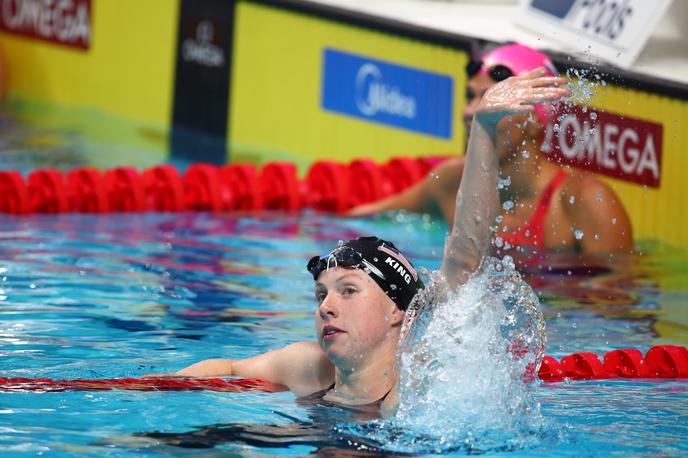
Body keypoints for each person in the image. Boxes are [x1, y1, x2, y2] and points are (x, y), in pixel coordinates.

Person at [154, 68, 571, 416]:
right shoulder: (310, 368)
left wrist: (483, 129)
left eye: (348, 290)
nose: (326, 306)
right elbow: (227, 366)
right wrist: (151, 389)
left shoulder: (422, 381)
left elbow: (466, 252)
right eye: (321, 294)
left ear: (395, 310)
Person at [349, 44, 633, 258]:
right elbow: (356, 221)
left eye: (490, 102)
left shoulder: (585, 202)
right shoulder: (451, 181)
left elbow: (617, 310)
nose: (473, 112)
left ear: (535, 119)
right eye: (471, 97)